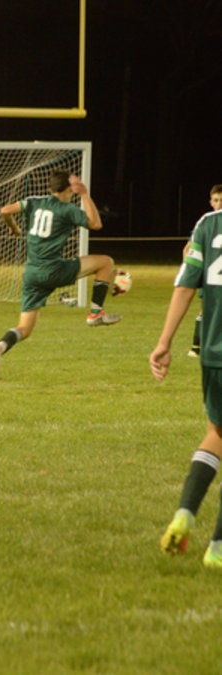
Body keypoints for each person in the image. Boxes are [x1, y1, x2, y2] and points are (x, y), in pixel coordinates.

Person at [0, 171, 121, 378]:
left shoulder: (34, 201)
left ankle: (0, 346)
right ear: (70, 189)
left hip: (32, 274)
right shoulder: (67, 209)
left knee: (24, 328)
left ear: (50, 187)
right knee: (105, 262)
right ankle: (95, 314)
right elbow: (96, 224)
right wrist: (84, 194)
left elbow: (5, 210)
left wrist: (14, 228)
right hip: (54, 270)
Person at [149, 204, 222, 569]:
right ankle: (218, 548)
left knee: (216, 433)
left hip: (213, 352)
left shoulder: (208, 223)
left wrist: (164, 342)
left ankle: (185, 513)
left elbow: (185, 286)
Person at [184, 184, 222, 358]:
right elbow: (188, 250)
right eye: (216, 200)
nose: (219, 204)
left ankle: (197, 348)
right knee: (207, 311)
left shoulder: (207, 222)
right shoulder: (206, 223)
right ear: (210, 202)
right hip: (213, 277)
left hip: (212, 276)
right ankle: (196, 347)